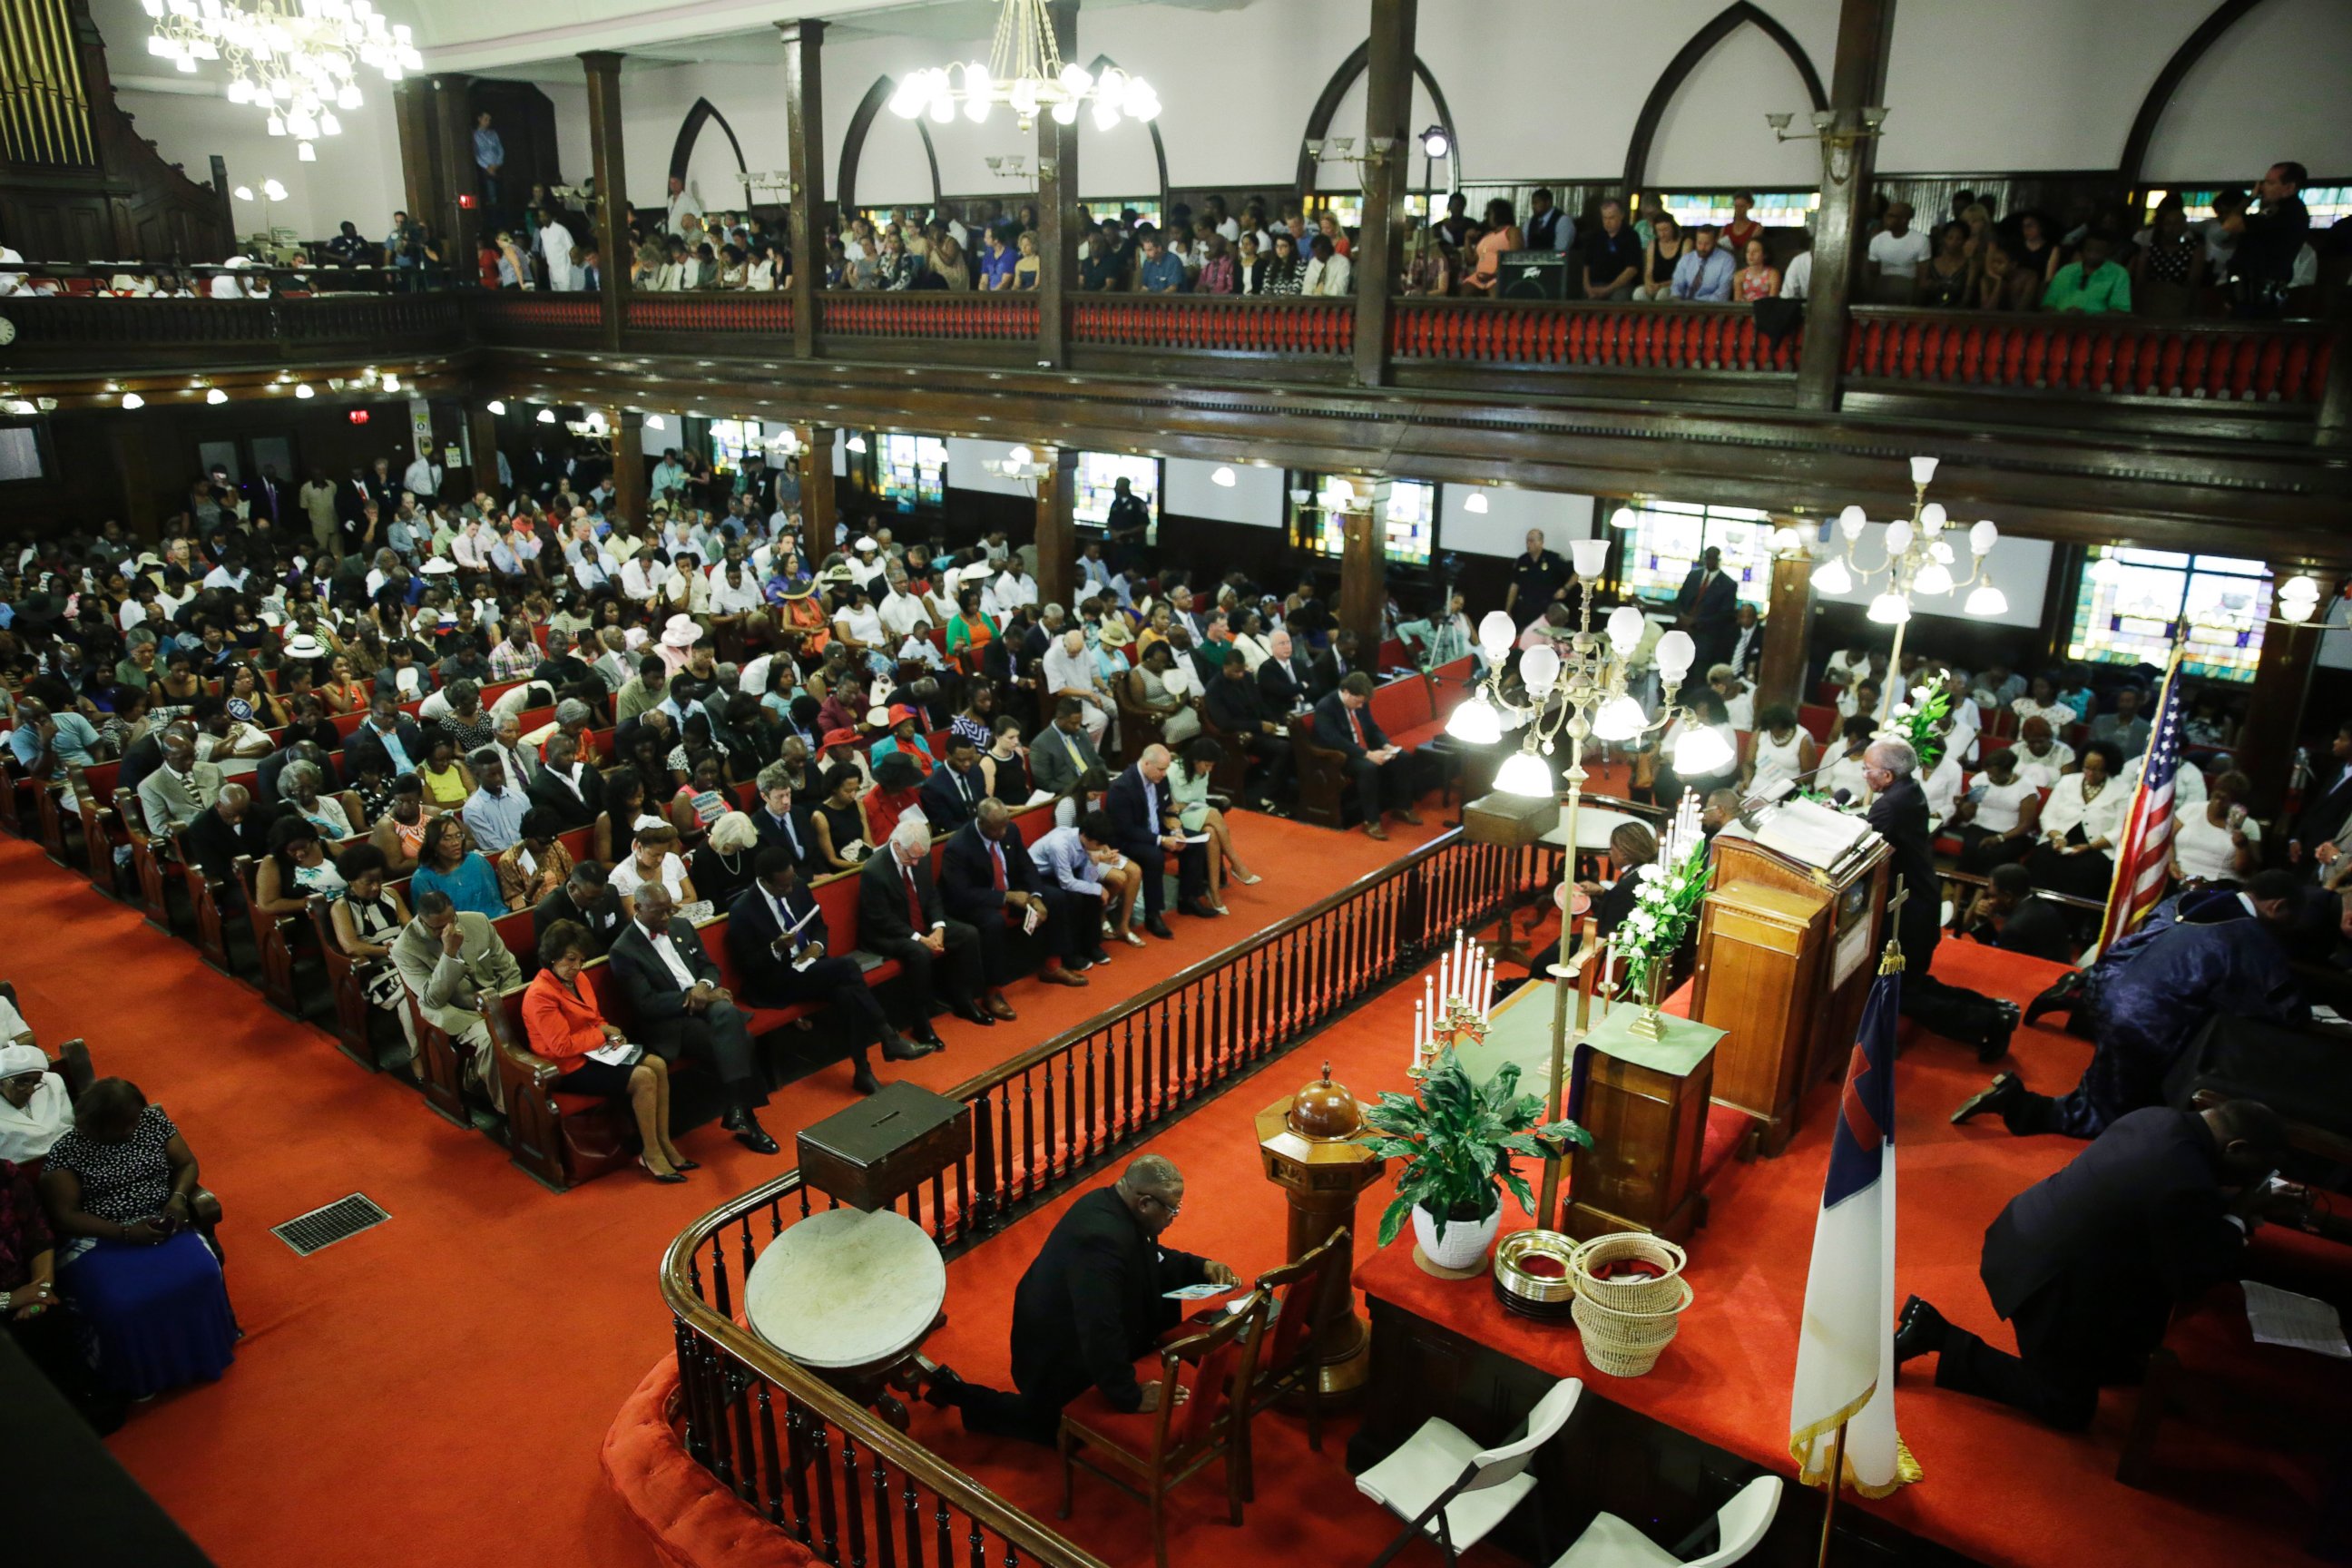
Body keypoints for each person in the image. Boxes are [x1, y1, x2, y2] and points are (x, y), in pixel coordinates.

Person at [1896, 1100, 2292, 1431]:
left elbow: (2169, 1205)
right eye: (2255, 1173)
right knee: (2067, 1406)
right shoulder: (2185, 1181)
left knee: (2139, 1306)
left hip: (2024, 1235)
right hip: (2047, 1282)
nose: (2251, 1181)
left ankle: (2110, 1356)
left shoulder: (2157, 1118)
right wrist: (2239, 1216)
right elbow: (2190, 1278)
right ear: (2235, 1148)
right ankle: (1936, 1334)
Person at [1963, 877, 2308, 1139]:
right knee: (2112, 1117)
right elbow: (2282, 1009)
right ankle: (2017, 1104)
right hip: (2145, 1022)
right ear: (2277, 906)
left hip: (2106, 988)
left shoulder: (2191, 896)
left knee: (2105, 1083)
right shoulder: (2252, 938)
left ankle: (2067, 1009)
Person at [925, 1154, 1237, 1445]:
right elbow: (1099, 1326)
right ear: (1144, 1203)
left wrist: (1201, 1267)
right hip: (1054, 1354)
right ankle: (963, 1396)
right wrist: (1129, 1395)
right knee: (1065, 1434)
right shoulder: (1099, 1240)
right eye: (1172, 1210)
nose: (1174, 1218)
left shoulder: (1119, 1207)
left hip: (1075, 1327)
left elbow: (1150, 1257)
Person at [39, 1079, 239, 1399]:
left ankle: (205, 1352)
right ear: (97, 1124)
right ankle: (138, 1378)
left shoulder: (152, 1122)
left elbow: (186, 1163)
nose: (132, 1128)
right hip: (99, 1236)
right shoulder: (68, 1150)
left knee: (201, 1275)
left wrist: (176, 1200)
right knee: (121, 1302)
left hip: (162, 1219)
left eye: (135, 1119)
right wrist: (125, 1233)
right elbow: (65, 1215)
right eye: (123, 1124)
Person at [728, 849, 935, 1097]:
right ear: (764, 881)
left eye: (792, 880)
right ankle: (888, 1036)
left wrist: (817, 946)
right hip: (776, 979)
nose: (790, 889)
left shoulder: (799, 886)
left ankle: (863, 1071)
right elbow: (749, 965)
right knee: (847, 967)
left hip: (811, 967)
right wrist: (775, 948)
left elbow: (818, 926)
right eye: (784, 887)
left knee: (847, 993)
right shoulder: (743, 910)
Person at [1867, 737, 2017, 1060]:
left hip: (1907, 911)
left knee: (1901, 990)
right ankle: (1996, 1009)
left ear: (1887, 776)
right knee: (1913, 982)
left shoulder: (1888, 805)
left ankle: (1990, 1020)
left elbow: (1867, 848)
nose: (1863, 774)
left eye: (1868, 769)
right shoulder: (1909, 790)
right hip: (1921, 898)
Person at [606, 883, 778, 1154]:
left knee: (728, 1014)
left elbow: (708, 966)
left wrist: (705, 986)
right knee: (738, 1037)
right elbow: (646, 1004)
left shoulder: (681, 926)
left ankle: (738, 1110)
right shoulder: (623, 950)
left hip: (705, 1003)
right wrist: (696, 997)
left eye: (669, 910)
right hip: (671, 1021)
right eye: (659, 912)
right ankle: (747, 1118)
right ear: (638, 909)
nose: (666, 918)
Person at [523, 922, 690, 1182]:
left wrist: (612, 1034)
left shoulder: (578, 979)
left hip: (596, 1053)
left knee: (657, 1063)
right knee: (643, 1077)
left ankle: (664, 1141)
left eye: (581, 959)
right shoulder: (540, 995)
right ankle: (651, 1152)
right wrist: (602, 1034)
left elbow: (595, 1018)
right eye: (570, 959)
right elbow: (561, 1046)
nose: (577, 966)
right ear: (552, 956)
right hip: (566, 1068)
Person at [940, 798, 1091, 1011]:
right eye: (996, 829)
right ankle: (992, 991)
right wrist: (1006, 897)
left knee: (1055, 898)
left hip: (1013, 890)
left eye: (1005, 825)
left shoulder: (1010, 830)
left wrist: (1036, 896)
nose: (1002, 833)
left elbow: (1026, 866)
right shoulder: (958, 847)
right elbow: (961, 894)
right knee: (993, 923)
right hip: (977, 902)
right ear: (981, 823)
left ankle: (1053, 966)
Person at [392, 889, 523, 1115]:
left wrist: (504, 1003)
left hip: (494, 998)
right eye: (438, 928)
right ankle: (510, 1112)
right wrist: (449, 954)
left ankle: (529, 1089)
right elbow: (432, 998)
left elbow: (509, 969)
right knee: (492, 1039)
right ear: (421, 920)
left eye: (451, 921)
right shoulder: (405, 948)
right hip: (455, 1010)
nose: (448, 930)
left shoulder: (478, 921)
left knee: (533, 1017)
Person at [858, 818, 992, 1029]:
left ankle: (964, 1000)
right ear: (896, 846)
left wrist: (938, 926)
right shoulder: (874, 871)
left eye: (920, 857)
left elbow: (931, 895)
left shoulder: (920, 855)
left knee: (968, 934)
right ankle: (921, 1020)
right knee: (919, 952)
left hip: (920, 924)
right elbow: (881, 919)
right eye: (912, 858)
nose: (916, 864)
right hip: (887, 934)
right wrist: (921, 938)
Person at [1107, 744, 1215, 935]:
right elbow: (1126, 829)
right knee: (1154, 856)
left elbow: (1166, 810)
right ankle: (1153, 914)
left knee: (1196, 842)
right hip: (1130, 840)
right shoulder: (1122, 787)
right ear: (1147, 763)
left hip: (1159, 832)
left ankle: (1188, 898)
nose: (1165, 774)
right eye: (1161, 769)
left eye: (1166, 769)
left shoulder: (1160, 780)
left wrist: (1176, 830)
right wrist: (1161, 840)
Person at [327, 847, 419, 1060]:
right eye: (368, 882)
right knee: (411, 999)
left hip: (407, 960)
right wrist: (388, 950)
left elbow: (410, 927)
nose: (376, 887)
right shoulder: (342, 907)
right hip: (378, 971)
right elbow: (351, 946)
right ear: (351, 880)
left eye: (379, 880)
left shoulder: (391, 894)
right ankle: (419, 1057)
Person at [1313, 672, 1422, 841]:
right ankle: (1371, 821)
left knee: (1403, 758)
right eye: (1358, 702)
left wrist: (1386, 745)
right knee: (1368, 768)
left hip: (1362, 749)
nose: (1360, 706)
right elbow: (1334, 741)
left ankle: (1403, 807)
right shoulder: (1325, 707)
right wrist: (1367, 754)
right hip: (1339, 756)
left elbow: (1372, 728)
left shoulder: (1360, 703)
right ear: (1347, 692)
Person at [2026, 740, 2127, 900]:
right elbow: (2047, 816)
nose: (2090, 773)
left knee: (2087, 869)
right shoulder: (2068, 781)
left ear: (2108, 769)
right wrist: (2057, 837)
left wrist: (2089, 846)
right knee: (2043, 857)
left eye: (2096, 770)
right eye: (2086, 767)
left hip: (2096, 847)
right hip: (2061, 840)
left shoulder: (2122, 790)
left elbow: (2121, 829)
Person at [1955, 862, 2078, 965]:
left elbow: (1997, 966)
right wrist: (1983, 922)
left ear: (2008, 897)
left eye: (1993, 896)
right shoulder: (2041, 907)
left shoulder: (2016, 927)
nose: (1989, 902)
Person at [409, 815, 504, 918]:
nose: (456, 842)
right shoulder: (422, 879)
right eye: (447, 838)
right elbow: (430, 921)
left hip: (495, 921)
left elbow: (497, 903)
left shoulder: (477, 861)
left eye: (458, 835)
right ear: (433, 843)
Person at [533, 859, 630, 956]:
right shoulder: (547, 912)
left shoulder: (610, 892)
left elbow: (623, 933)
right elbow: (551, 956)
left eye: (602, 896)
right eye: (591, 899)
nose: (598, 902)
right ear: (572, 887)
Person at [0, 1039, 71, 1162]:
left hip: (65, 1159)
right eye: (22, 1082)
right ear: (1, 1083)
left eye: (36, 1081)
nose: (31, 1090)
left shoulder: (52, 1082)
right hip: (18, 1173)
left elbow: (67, 1127)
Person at [1672, 544, 1739, 676]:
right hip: (1682, 630)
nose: (1710, 561)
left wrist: (1697, 622)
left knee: (1697, 675)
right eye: (1708, 558)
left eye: (1714, 558)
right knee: (1676, 669)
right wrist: (1681, 616)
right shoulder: (1693, 575)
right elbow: (1679, 599)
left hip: (1705, 637)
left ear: (1719, 560)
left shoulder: (1728, 584)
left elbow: (1725, 615)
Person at [1030, 697, 1110, 799]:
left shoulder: (1082, 733)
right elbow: (1045, 784)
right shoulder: (1041, 744)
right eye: (1073, 723)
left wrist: (1104, 779)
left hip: (1093, 789)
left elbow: (1097, 762)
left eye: (1079, 722)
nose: (1077, 727)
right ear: (1059, 718)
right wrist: (1079, 790)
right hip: (1069, 796)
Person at [2042, 231, 2132, 314]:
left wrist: (2086, 317)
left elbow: (2120, 312)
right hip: (2060, 325)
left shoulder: (2119, 273)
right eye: (2089, 250)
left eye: (2098, 251)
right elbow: (2047, 305)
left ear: (2108, 252)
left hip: (2097, 328)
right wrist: (2064, 316)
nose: (2092, 255)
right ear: (2082, 251)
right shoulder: (2066, 271)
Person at [1865, 201, 1932, 302]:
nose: (1886, 219)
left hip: (1909, 291)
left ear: (1904, 220)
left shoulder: (1921, 240)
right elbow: (1872, 273)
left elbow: (1922, 275)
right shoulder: (1877, 240)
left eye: (1891, 216)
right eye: (1886, 215)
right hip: (1883, 289)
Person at [1580, 198, 1642, 300]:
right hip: (1595, 284)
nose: (1607, 222)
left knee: (1619, 298)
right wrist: (1587, 287)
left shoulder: (1631, 236)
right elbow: (1586, 265)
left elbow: (1632, 269)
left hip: (1621, 286)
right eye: (1605, 218)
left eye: (1611, 218)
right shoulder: (1595, 236)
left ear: (1621, 216)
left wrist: (1608, 289)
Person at [1670, 223, 1734, 301]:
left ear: (1715, 241)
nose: (1702, 248)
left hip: (1711, 306)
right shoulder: (1687, 259)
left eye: (1707, 244)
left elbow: (1723, 293)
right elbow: (1677, 284)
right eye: (1699, 243)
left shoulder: (1726, 260)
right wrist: (1678, 298)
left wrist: (1697, 302)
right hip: (1684, 305)